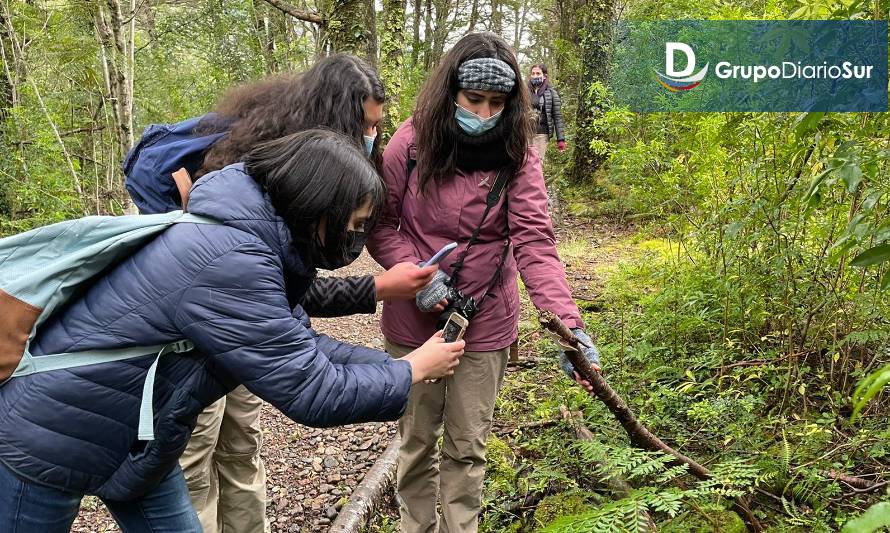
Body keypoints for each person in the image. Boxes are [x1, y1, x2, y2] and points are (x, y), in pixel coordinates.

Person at [0, 129, 465, 532]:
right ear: (317, 205)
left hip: (137, 440)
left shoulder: (248, 241)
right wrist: (407, 371)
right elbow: (311, 390)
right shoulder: (229, 260)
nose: (354, 235)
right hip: (51, 434)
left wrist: (397, 365)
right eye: (353, 223)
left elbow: (298, 342)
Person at [161, 55, 439, 533]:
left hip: (247, 328)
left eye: (377, 127)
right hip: (187, 338)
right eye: (364, 126)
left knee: (241, 443)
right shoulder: (276, 172)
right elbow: (295, 321)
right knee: (196, 451)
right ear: (336, 116)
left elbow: (284, 300)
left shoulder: (318, 177)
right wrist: (379, 295)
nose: (370, 139)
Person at [367, 33, 601, 533]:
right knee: (415, 443)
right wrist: (416, 277)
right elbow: (381, 225)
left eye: (497, 103)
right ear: (450, 91)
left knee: (467, 448)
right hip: (413, 319)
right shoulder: (411, 142)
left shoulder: (518, 155)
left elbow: (535, 242)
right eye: (474, 100)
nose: (485, 112)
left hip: (484, 319)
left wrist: (569, 326)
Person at [528, 63, 566, 165]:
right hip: (525, 133)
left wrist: (560, 139)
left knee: (537, 165)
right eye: (533, 73)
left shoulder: (551, 93)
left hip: (541, 134)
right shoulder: (524, 92)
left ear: (544, 76)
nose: (535, 76)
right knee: (523, 165)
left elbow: (557, 116)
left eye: (538, 73)